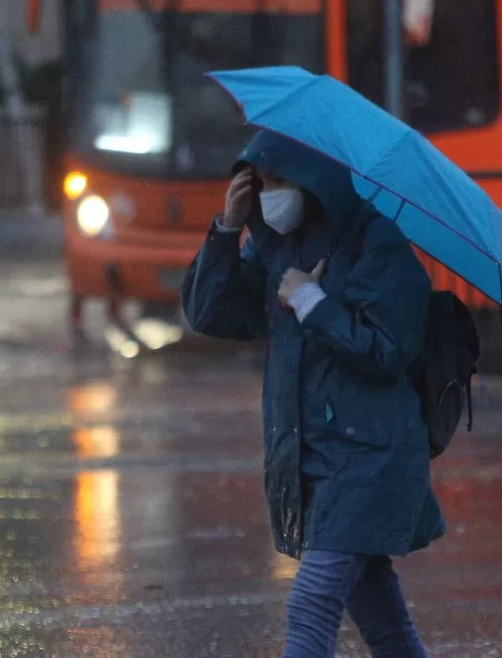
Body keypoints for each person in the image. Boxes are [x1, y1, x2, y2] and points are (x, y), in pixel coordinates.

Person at [181, 130, 445, 657]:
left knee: (312, 606)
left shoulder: (378, 243)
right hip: (314, 458)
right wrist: (225, 231)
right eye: (260, 182)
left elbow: (388, 351)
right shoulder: (277, 245)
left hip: (368, 458)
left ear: (314, 179)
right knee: (384, 624)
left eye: (280, 180)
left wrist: (311, 301)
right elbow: (212, 313)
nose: (270, 194)